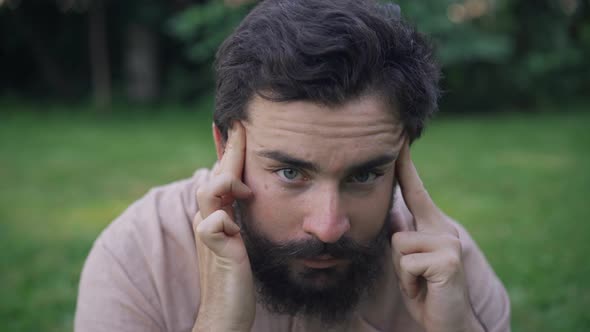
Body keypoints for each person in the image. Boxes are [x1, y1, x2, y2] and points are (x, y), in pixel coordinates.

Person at [75, 0, 511, 331]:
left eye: (363, 175)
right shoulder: (140, 259)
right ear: (225, 145)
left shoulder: (446, 273)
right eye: (290, 173)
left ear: (402, 158)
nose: (327, 227)